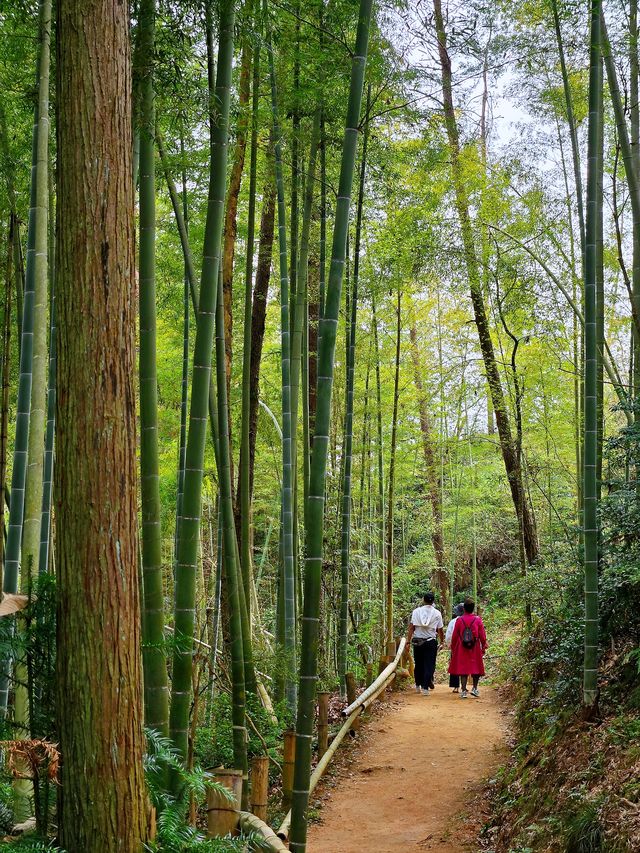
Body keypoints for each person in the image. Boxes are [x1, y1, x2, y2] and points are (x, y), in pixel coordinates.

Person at [448, 598, 487, 699]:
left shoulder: (459, 620)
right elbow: (482, 634)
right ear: (473, 608)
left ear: (464, 608)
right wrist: (484, 645)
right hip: (475, 647)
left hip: (462, 647)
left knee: (463, 668)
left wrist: (453, 647)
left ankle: (464, 690)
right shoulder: (478, 619)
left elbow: (455, 635)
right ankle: (474, 688)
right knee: (476, 667)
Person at [407, 592, 444, 696]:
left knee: (418, 663)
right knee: (429, 664)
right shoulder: (437, 613)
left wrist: (408, 641)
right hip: (430, 642)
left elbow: (411, 627)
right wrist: (442, 641)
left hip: (417, 641)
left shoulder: (416, 611)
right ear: (433, 601)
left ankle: (418, 685)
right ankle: (425, 687)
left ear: (423, 600)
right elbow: (440, 630)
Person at [445, 602, 465, 693]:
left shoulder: (453, 622)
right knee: (465, 664)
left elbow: (449, 635)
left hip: (456, 646)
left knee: (455, 664)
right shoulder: (470, 620)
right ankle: (464, 686)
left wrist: (449, 645)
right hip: (467, 646)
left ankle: (455, 686)